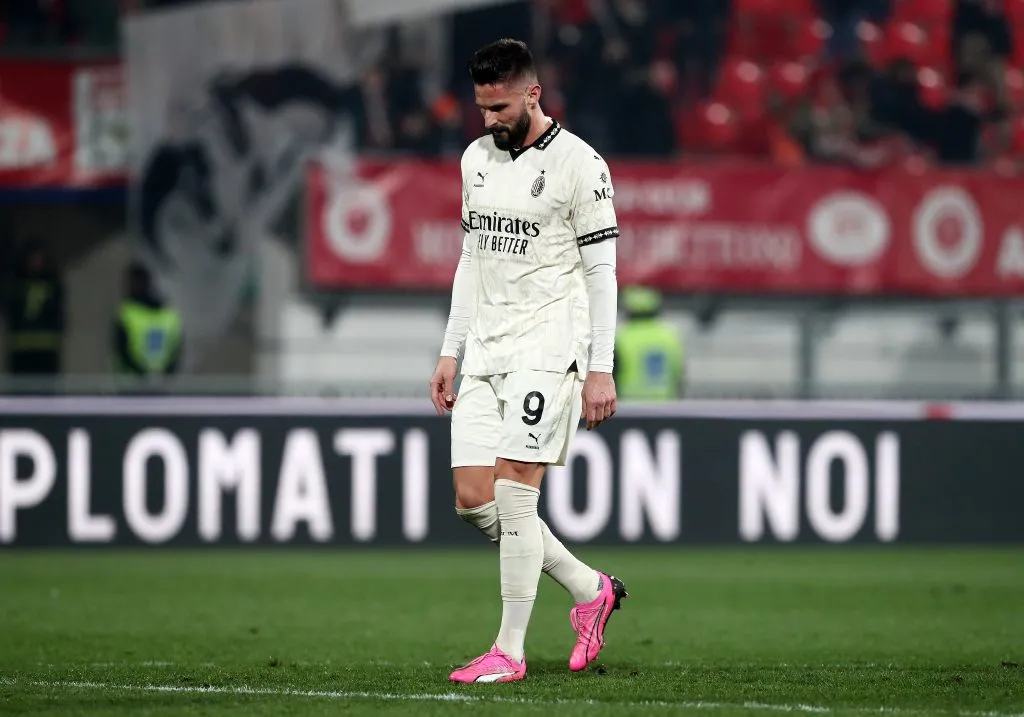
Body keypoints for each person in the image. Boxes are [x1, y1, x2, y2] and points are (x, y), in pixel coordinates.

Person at [429, 38, 626, 684]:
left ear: (533, 94)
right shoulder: (475, 159)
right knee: (473, 498)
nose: (489, 119)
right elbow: (470, 259)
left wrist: (600, 366)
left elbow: (602, 274)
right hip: (486, 348)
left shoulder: (580, 165)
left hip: (547, 347)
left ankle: (508, 650)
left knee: (515, 491)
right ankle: (590, 588)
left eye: (501, 107)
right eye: (482, 107)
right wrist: (451, 349)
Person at [3, 237, 65, 383]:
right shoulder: (16, 284)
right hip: (21, 351)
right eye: (32, 258)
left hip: (46, 351)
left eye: (38, 258)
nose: (35, 262)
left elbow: (58, 314)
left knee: (45, 390)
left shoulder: (52, 284)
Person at [112, 262, 182, 384]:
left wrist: (143, 374)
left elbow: (121, 350)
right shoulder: (170, 316)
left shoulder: (126, 313)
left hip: (131, 385)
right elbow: (176, 353)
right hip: (162, 384)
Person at [614, 285, 685, 400]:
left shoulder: (621, 337)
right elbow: (678, 377)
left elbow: (611, 379)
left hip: (630, 406)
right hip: (666, 406)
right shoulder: (670, 336)